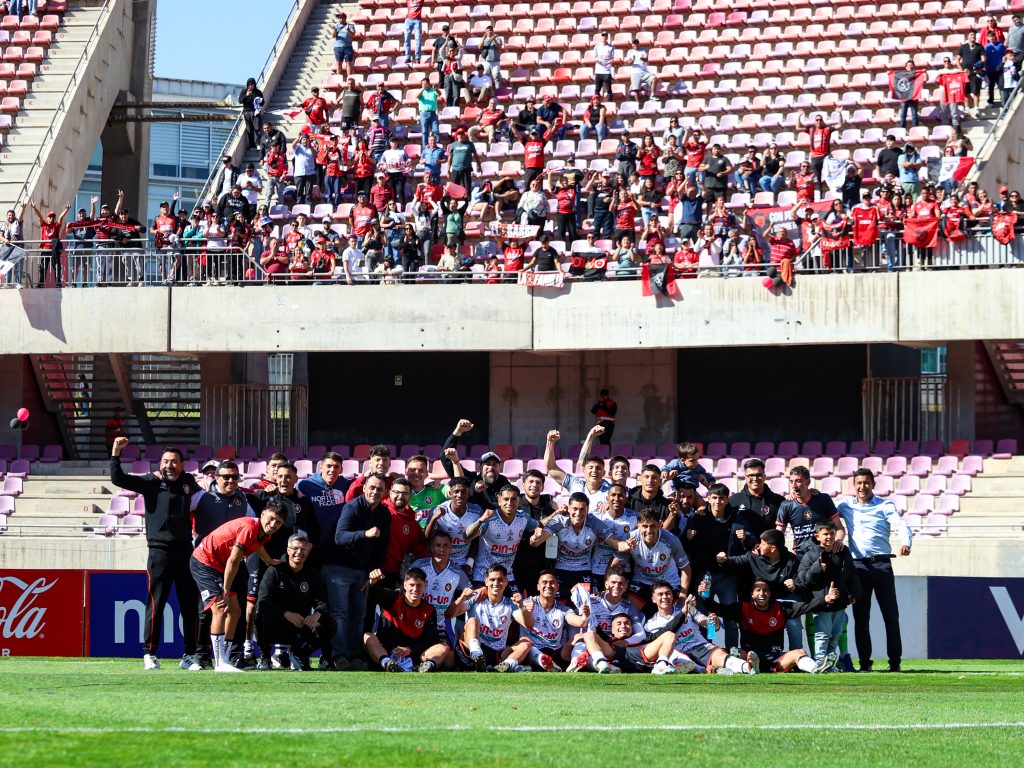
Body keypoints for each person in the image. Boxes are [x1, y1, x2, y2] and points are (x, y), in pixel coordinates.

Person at [109, 436, 202, 671]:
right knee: (156, 603)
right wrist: (115, 453)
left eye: (174, 462)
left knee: (189, 605)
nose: (169, 465)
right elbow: (117, 478)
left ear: (182, 465)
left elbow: (206, 501)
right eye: (165, 461)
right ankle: (149, 654)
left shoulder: (189, 482)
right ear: (160, 463)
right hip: (159, 552)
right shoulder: (151, 482)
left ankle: (190, 655)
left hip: (185, 552)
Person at [190, 502, 286, 672]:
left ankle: (225, 659)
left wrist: (268, 560)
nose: (273, 525)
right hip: (204, 562)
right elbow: (234, 560)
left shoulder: (264, 533)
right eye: (271, 519)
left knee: (235, 611)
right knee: (220, 609)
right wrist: (226, 592)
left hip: (220, 565)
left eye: (278, 522)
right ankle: (219, 663)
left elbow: (257, 545)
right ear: (263, 514)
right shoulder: (249, 527)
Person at [836, 468, 912, 673]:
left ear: (873, 484)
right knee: (861, 617)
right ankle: (865, 664)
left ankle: (895, 662)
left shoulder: (885, 505)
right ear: (854, 485)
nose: (862, 486)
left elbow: (901, 524)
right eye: (859, 483)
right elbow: (825, 511)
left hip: (882, 566)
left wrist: (905, 542)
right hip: (858, 567)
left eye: (866, 482)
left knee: (890, 615)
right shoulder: (845, 505)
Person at [704, 580, 837, 674]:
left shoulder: (780, 608)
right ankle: (732, 668)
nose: (762, 593)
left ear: (770, 594)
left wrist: (825, 599)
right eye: (758, 590)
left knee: (799, 653)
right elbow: (718, 609)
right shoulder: (742, 608)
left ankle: (816, 668)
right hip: (749, 656)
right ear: (752, 594)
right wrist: (704, 596)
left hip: (775, 658)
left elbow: (806, 607)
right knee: (724, 652)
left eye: (765, 590)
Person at [328, 472, 390, 670]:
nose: (375, 491)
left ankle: (354, 656)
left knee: (359, 615)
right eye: (371, 487)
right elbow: (339, 537)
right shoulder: (352, 507)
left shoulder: (384, 513)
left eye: (380, 489)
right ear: (364, 488)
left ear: (385, 492)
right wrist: (365, 534)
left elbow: (382, 546)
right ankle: (339, 656)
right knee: (339, 613)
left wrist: (373, 573)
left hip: (362, 572)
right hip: (339, 568)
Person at [255, 532, 331, 671]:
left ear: (308, 551)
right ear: (288, 549)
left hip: (300, 625)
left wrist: (316, 615)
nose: (299, 552)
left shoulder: (312, 574)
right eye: (295, 548)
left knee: (329, 623)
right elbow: (263, 602)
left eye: (303, 549)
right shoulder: (274, 570)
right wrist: (285, 614)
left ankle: (300, 654)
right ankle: (265, 658)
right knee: (260, 616)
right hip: (277, 623)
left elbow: (323, 604)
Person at [529, 492, 621, 599]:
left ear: (587, 510)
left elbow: (617, 544)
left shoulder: (593, 522)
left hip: (584, 569)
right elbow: (535, 543)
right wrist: (535, 537)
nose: (578, 513)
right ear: (568, 509)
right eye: (575, 509)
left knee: (583, 604)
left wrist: (628, 544)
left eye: (582, 509)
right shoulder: (560, 520)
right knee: (558, 603)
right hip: (560, 568)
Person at [797, 521, 862, 669]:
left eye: (832, 533)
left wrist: (854, 593)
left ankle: (829, 664)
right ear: (817, 536)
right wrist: (817, 568)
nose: (829, 537)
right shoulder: (811, 554)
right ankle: (820, 662)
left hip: (840, 603)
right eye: (825, 534)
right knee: (822, 635)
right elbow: (802, 579)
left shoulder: (843, 551)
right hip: (821, 604)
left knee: (835, 637)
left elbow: (852, 574)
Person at [364, 566, 453, 672]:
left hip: (414, 657)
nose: (415, 589)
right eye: (411, 585)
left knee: (444, 648)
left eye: (419, 585)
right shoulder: (393, 598)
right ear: (405, 585)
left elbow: (430, 640)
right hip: (387, 652)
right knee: (367, 636)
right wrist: (373, 582)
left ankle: (426, 667)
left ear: (425, 586)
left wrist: (410, 650)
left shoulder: (429, 610)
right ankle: (388, 664)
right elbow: (374, 593)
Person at [447, 564, 533, 671]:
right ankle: (477, 656)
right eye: (492, 580)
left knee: (526, 642)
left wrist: (522, 606)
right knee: (472, 621)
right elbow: (449, 614)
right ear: (486, 581)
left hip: (496, 654)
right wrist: (461, 598)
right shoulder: (476, 597)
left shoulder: (510, 604)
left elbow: (529, 625)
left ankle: (505, 666)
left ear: (506, 582)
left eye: (500, 580)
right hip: (472, 651)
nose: (496, 583)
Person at [612, 509, 691, 613]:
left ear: (660, 524)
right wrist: (606, 587)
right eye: (645, 526)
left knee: (677, 616)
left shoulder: (671, 540)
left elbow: (686, 569)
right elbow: (613, 565)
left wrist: (682, 595)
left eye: (653, 526)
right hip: (642, 580)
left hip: (668, 581)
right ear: (638, 525)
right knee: (627, 613)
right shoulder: (630, 539)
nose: (649, 530)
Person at [517, 570, 589, 671]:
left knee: (580, 636)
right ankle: (542, 660)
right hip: (531, 651)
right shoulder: (527, 604)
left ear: (557, 587)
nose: (548, 585)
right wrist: (524, 610)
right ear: (538, 586)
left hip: (554, 653)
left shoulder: (563, 609)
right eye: (544, 582)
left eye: (552, 582)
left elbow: (577, 621)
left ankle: (575, 663)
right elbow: (518, 616)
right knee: (527, 645)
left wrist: (584, 616)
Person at [410, 529, 471, 642]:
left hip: (439, 627)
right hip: (415, 623)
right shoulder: (419, 565)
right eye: (438, 545)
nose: (442, 550)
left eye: (445, 546)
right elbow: (405, 590)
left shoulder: (457, 572)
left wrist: (459, 608)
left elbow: (471, 593)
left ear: (450, 549)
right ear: (431, 548)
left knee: (447, 656)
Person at [776, 465, 846, 557]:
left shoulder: (823, 499)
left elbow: (839, 528)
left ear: (808, 482)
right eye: (791, 481)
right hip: (800, 557)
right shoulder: (786, 505)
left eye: (798, 481)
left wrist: (839, 541)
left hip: (824, 554)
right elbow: (778, 535)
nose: (794, 485)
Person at [543, 429, 612, 506]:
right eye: (591, 467)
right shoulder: (575, 484)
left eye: (598, 468)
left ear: (604, 473)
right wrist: (550, 442)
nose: (594, 470)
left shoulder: (611, 491)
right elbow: (551, 468)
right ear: (584, 470)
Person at [239, 78, 264, 151]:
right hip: (247, 112)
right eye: (249, 85)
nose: (250, 87)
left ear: (254, 85)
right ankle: (251, 145)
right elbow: (240, 101)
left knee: (256, 127)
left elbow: (262, 102)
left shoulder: (258, 92)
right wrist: (246, 95)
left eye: (252, 85)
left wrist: (260, 101)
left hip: (256, 112)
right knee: (249, 129)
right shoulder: (244, 91)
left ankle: (257, 143)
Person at [333, 12, 356, 77]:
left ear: (345, 18)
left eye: (340, 17)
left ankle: (349, 78)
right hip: (337, 47)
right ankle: (338, 78)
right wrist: (335, 30)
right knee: (338, 63)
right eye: (338, 18)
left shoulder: (350, 25)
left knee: (348, 63)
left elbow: (353, 35)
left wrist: (348, 30)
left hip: (347, 47)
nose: (339, 19)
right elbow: (333, 36)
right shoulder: (336, 25)